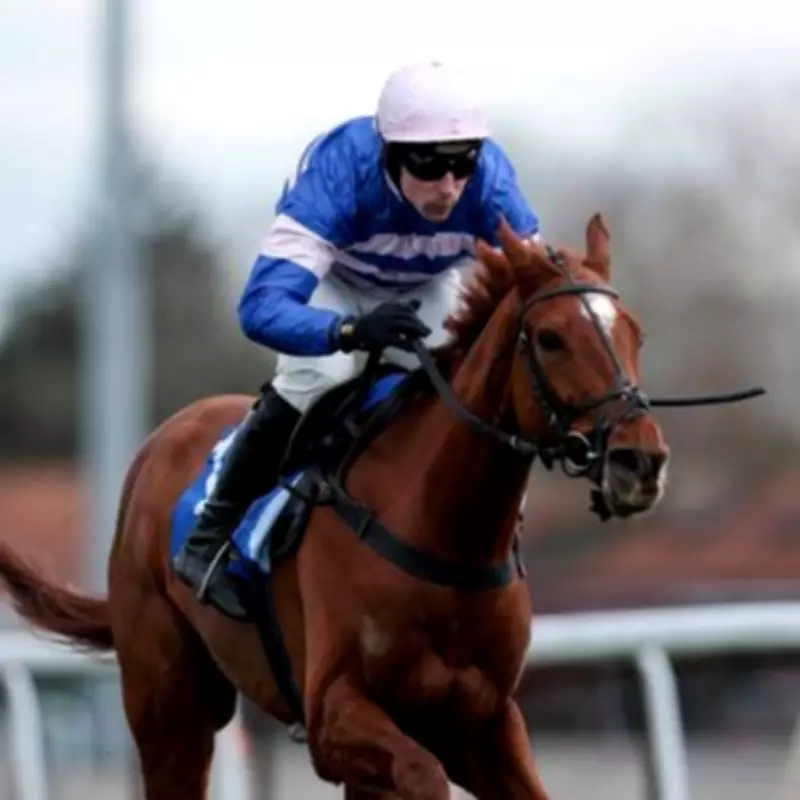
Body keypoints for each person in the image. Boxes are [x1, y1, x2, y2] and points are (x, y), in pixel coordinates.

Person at [173, 60, 542, 618]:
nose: (448, 186)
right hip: (333, 282)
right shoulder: (340, 172)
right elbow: (261, 308)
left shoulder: (491, 182)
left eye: (462, 162)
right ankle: (211, 533)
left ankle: (491, 536)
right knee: (323, 375)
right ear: (389, 151)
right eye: (429, 165)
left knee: (473, 384)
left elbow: (537, 290)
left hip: (423, 286)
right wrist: (348, 331)